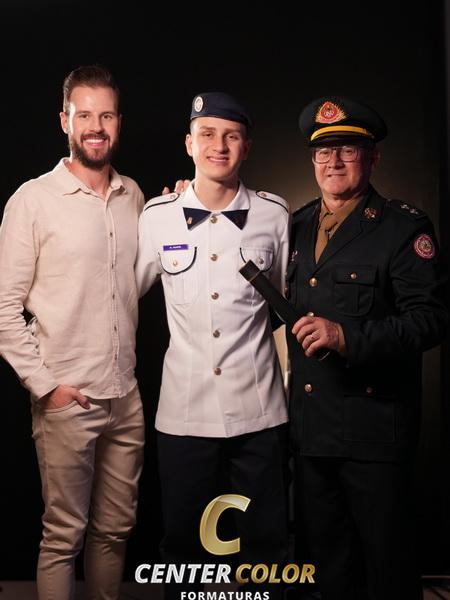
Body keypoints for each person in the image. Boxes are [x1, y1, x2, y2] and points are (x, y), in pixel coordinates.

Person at [285, 96, 448, 600]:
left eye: (348, 150)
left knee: (387, 571)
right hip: (312, 433)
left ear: (372, 158)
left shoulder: (403, 228)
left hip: (374, 433)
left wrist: (346, 337)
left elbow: (430, 320)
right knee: (328, 573)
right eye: (324, 151)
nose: (333, 161)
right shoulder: (295, 225)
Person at [0, 65, 145, 600]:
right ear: (65, 121)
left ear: (119, 123)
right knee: (63, 537)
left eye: (106, 116)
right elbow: (3, 307)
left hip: (125, 398)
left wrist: (182, 206)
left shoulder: (134, 196)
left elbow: (135, 283)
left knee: (114, 532)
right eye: (84, 115)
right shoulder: (33, 200)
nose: (95, 127)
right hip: (67, 399)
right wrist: (46, 387)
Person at [135, 92, 290, 587]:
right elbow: (123, 297)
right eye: (207, 134)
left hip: (260, 410)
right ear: (189, 144)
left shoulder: (275, 216)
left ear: (247, 147)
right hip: (185, 411)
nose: (218, 146)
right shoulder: (157, 216)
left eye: (231, 136)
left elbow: (286, 305)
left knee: (265, 544)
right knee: (184, 547)